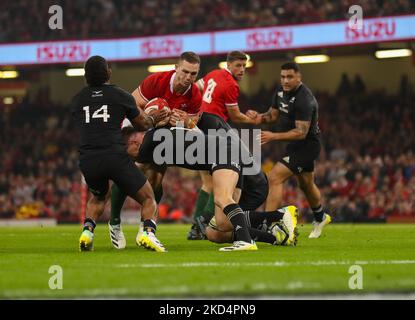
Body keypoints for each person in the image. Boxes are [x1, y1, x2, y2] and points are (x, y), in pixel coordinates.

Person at [189, 51, 298, 245]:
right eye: (238, 66)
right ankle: (274, 232)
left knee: (215, 193)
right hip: (214, 131)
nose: (241, 70)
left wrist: (195, 108)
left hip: (213, 134)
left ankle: (274, 218)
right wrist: (253, 120)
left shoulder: (215, 75)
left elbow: (195, 88)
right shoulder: (230, 84)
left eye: (244, 67)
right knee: (216, 230)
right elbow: (237, 116)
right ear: (228, 65)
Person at [71, 55, 169, 252]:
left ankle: (87, 231)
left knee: (98, 197)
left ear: (86, 76)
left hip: (88, 159)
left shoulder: (77, 99)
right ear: (109, 72)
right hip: (115, 156)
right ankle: (148, 233)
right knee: (148, 197)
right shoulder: (120, 95)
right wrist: (153, 116)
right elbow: (143, 123)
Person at [109, 52, 202, 249]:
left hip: (164, 134)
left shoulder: (195, 95)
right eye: (185, 71)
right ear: (176, 68)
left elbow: (192, 125)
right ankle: (115, 222)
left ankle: (146, 228)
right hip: (138, 127)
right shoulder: (156, 81)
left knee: (157, 180)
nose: (188, 77)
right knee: (130, 174)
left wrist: (184, 122)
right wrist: (151, 117)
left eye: (193, 74)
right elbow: (131, 106)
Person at [247, 62, 331, 238]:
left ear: (299, 77)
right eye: (283, 76)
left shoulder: (305, 100)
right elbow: (272, 115)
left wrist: (272, 136)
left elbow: (301, 133)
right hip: (294, 146)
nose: (285, 80)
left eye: (290, 77)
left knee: (275, 177)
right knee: (306, 184)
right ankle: (320, 216)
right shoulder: (280, 92)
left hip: (308, 146)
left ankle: (268, 223)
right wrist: (258, 118)